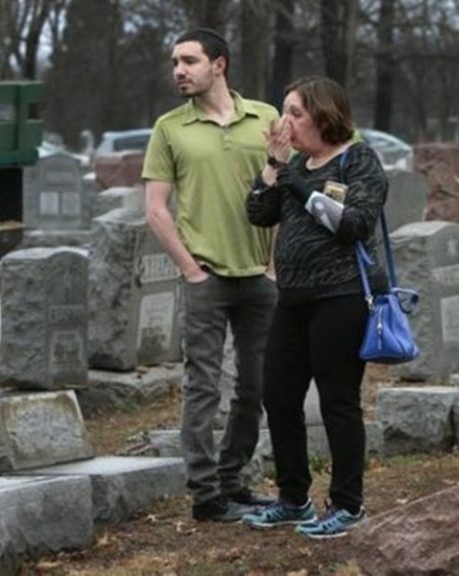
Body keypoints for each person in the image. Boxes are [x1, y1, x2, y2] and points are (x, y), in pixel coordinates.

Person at [241, 76, 388, 539]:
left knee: (337, 401)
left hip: (341, 297)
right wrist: (274, 165)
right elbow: (258, 213)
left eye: (295, 113)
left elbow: (354, 224)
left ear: (324, 115)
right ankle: (293, 498)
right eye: (283, 112)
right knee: (279, 395)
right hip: (294, 298)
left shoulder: (357, 159)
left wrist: (298, 183)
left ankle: (348, 503)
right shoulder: (295, 164)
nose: (284, 123)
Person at [143, 28, 279, 523]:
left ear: (218, 64)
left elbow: (284, 189)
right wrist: (190, 269)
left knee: (257, 385)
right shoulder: (169, 128)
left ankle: (233, 480)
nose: (178, 70)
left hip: (259, 278)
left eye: (189, 60)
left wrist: (273, 263)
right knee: (202, 387)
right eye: (174, 62)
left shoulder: (265, 118)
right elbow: (156, 209)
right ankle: (205, 495)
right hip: (206, 277)